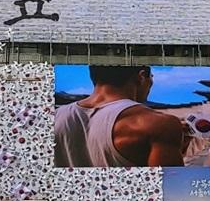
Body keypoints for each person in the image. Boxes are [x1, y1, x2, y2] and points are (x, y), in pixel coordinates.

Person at [53, 66, 187, 167]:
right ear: (141, 76)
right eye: (151, 77)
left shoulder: (53, 117)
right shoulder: (158, 124)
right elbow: (172, 193)